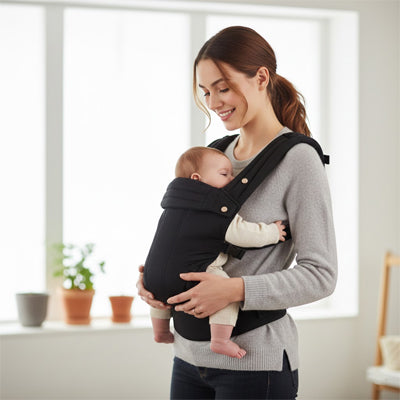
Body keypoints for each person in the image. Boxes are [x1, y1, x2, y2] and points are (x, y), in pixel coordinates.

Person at [137, 26, 337, 399]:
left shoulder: (299, 159)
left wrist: (234, 289)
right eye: (205, 91)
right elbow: (185, 235)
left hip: (254, 364)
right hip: (187, 356)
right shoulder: (214, 155)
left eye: (223, 88)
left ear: (261, 77)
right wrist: (156, 281)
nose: (213, 102)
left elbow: (321, 276)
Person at [147, 145, 287, 359]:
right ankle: (220, 340)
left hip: (152, 274)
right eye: (224, 174)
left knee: (161, 297)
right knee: (224, 290)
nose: (232, 179)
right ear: (197, 179)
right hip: (193, 274)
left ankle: (161, 331)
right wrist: (273, 232)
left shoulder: (172, 207)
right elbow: (243, 234)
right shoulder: (215, 208)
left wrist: (148, 277)